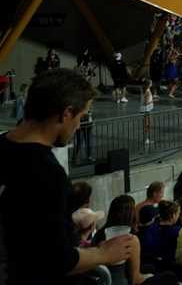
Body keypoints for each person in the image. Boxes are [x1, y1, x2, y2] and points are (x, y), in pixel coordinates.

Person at [0, 69, 135, 285]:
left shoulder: (5, 147)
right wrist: (104, 253)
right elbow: (56, 260)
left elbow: (21, 222)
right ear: (66, 114)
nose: (79, 125)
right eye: (81, 117)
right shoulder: (47, 172)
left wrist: (66, 224)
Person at [91, 194, 153, 285]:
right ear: (131, 214)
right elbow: (135, 280)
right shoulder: (130, 239)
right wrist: (150, 276)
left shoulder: (98, 234)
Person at [140, 79, 154, 145]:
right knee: (147, 124)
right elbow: (146, 102)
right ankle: (146, 139)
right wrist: (152, 101)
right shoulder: (147, 92)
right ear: (149, 84)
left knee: (148, 124)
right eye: (151, 83)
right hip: (147, 109)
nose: (152, 83)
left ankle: (147, 139)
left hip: (147, 109)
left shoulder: (145, 90)